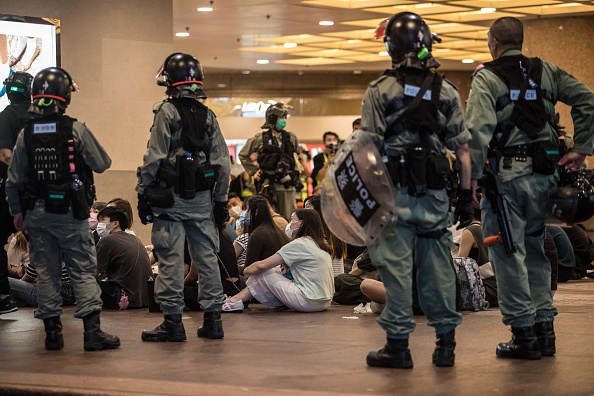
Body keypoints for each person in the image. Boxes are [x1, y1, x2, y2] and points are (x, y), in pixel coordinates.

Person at [466, 17, 594, 360]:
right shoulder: (546, 71)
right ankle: (545, 332)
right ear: (520, 41)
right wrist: (581, 148)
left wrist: (472, 179)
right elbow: (587, 100)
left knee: (508, 256)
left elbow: (477, 132)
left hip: (505, 184)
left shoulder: (487, 77)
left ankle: (523, 336)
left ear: (493, 42)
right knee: (536, 251)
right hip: (544, 179)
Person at [362, 13, 472, 369]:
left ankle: (398, 347)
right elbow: (464, 153)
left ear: (391, 48)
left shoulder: (379, 90)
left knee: (395, 270)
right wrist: (467, 197)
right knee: (437, 267)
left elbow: (369, 153)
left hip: (394, 194)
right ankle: (445, 345)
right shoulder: (448, 91)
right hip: (436, 193)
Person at [5, 67, 119, 351]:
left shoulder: (26, 134)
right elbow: (102, 163)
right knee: (82, 271)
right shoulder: (75, 129)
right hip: (71, 213)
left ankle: (52, 334)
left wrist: (18, 213)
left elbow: (13, 180)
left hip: (37, 215)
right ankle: (92, 334)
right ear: (65, 96)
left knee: (46, 273)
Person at [137, 53, 231, 342]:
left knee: (170, 260)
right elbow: (223, 163)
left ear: (170, 80)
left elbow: (154, 157)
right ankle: (214, 322)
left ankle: (173, 323)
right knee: (207, 259)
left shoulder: (165, 112)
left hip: (170, 202)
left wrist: (142, 192)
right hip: (202, 201)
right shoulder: (208, 115)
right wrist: (220, 201)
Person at [222, 209, 334, 313]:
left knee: (264, 273)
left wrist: (247, 270)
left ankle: (233, 301)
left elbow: (262, 266)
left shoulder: (299, 244)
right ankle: (236, 301)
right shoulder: (320, 244)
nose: (289, 224)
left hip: (309, 300)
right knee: (271, 273)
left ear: (301, 223)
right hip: (325, 301)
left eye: (292, 220)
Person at [0, 71, 33, 315]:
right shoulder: (41, 116)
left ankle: (3, 297)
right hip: (45, 190)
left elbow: (5, 154)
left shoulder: (5, 117)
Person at [238, 102, 301, 221]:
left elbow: (296, 156)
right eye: (281, 117)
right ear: (272, 119)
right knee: (269, 219)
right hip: (269, 185)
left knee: (289, 219)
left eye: (285, 117)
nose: (284, 120)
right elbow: (243, 155)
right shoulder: (260, 139)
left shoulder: (291, 138)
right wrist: (254, 171)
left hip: (287, 186)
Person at [95, 206, 153, 309]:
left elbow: (94, 272)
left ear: (115, 223)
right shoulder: (135, 238)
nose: (99, 225)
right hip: (145, 300)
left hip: (122, 298)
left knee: (82, 281)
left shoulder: (106, 240)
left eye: (103, 220)